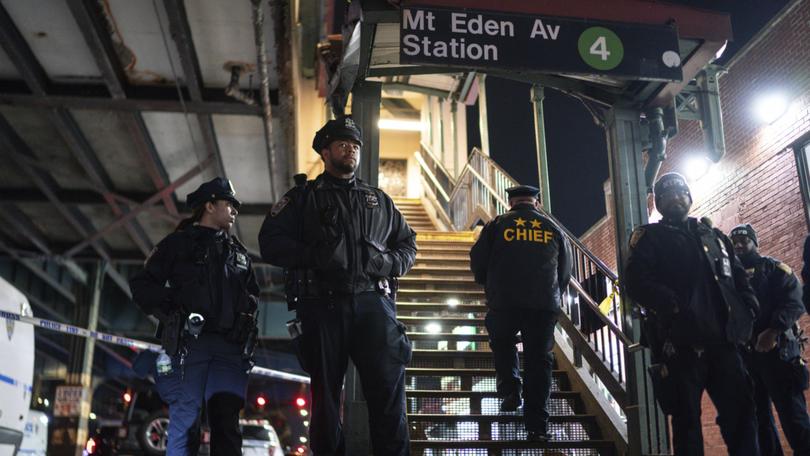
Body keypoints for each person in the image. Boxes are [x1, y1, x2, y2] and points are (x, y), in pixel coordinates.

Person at [258, 116, 417, 456]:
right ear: (326, 152)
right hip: (322, 306)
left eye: (356, 145)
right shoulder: (303, 199)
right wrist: (315, 256)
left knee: (388, 393)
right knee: (327, 399)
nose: (351, 150)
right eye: (343, 144)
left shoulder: (379, 200)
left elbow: (408, 244)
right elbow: (269, 242)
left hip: (374, 305)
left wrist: (388, 264)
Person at [624, 172, 760, 455]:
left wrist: (749, 308)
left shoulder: (713, 235)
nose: (676, 199)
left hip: (725, 344)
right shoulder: (651, 238)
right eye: (668, 196)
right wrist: (671, 304)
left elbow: (738, 278)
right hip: (682, 346)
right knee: (687, 423)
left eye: (680, 194)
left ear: (689, 197)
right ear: (659, 203)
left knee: (742, 416)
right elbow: (635, 282)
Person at [130, 177, 260, 456]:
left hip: (229, 350)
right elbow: (143, 286)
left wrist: (247, 327)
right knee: (186, 421)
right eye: (230, 204)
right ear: (210, 206)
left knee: (227, 424)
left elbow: (252, 296)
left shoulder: (239, 253)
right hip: (191, 345)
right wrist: (172, 314)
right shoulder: (178, 244)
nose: (235, 210)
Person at [469, 185, 572, 442]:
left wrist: (488, 285)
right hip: (543, 305)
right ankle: (537, 428)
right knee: (539, 363)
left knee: (502, 342)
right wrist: (553, 294)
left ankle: (510, 389)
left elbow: (478, 260)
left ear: (511, 203)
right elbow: (565, 271)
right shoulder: (553, 228)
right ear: (536, 204)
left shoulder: (496, 225)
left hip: (504, 301)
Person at [730, 224, 810, 455]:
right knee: (760, 421)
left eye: (744, 240)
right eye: (734, 242)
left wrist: (773, 331)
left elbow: (795, 302)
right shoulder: (731, 282)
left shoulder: (774, 269)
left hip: (779, 353)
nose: (739, 245)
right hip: (747, 358)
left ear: (754, 242)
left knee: (793, 417)